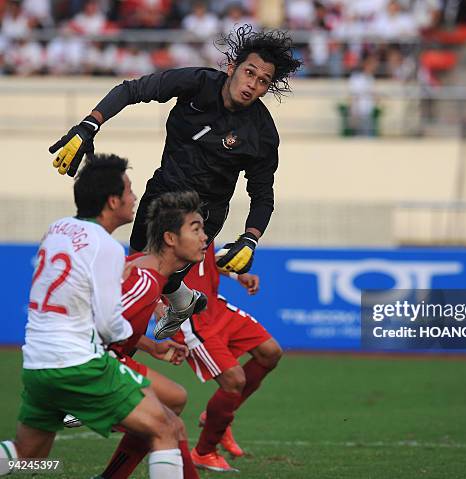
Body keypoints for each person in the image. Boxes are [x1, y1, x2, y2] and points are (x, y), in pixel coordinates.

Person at [49, 24, 302, 340]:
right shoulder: (197, 83)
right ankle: (182, 301)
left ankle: (112, 348)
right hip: (162, 192)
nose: (253, 84)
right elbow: (133, 89)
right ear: (232, 66)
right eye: (250, 73)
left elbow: (262, 194)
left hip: (204, 213)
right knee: (150, 272)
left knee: (148, 276)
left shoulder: (262, 133)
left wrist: (250, 239)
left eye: (263, 81)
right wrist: (89, 126)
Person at [0, 154, 184, 478]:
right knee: (166, 426)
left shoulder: (57, 228)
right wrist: (143, 325)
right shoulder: (107, 247)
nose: (134, 197)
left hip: (37, 364)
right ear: (113, 201)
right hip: (77, 364)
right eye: (128, 191)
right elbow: (109, 326)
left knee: (25, 456)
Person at [96, 190, 207, 479]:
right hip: (90, 365)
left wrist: (150, 346)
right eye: (196, 230)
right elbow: (93, 325)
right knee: (167, 425)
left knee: (174, 399)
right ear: (170, 238)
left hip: (110, 358)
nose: (205, 238)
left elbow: (113, 324)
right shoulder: (144, 279)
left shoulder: (153, 273)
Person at [172, 239, 282, 472]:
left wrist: (235, 275)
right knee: (233, 381)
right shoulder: (167, 221)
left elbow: (205, 260)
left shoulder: (200, 217)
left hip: (214, 306)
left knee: (270, 352)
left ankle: (218, 415)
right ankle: (204, 452)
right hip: (190, 316)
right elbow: (153, 270)